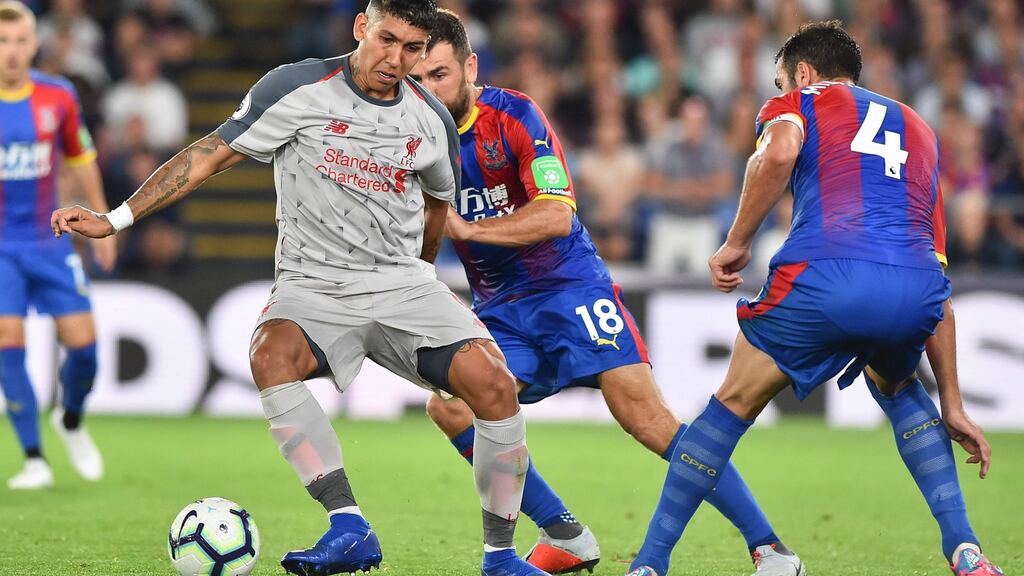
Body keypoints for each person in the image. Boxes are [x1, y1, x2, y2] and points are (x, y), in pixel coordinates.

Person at [51, 2, 547, 575]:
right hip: (313, 283)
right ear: (362, 27)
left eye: (413, 49)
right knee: (271, 354)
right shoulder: (297, 88)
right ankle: (348, 525)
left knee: (495, 385)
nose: (396, 58)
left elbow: (437, 206)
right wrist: (114, 220)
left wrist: (421, 277)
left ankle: (500, 558)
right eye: (386, 39)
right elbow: (208, 155)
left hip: (401, 281)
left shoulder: (431, 120)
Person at [410, 10, 804, 576]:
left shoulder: (515, 115)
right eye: (417, 80)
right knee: (449, 407)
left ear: (470, 66)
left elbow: (555, 216)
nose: (427, 91)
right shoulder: (411, 138)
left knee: (647, 420)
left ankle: (770, 548)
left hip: (568, 288)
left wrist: (470, 232)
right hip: (500, 308)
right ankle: (564, 532)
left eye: (440, 75)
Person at [626, 21, 1004, 576]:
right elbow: (937, 275)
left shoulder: (798, 102)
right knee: (901, 391)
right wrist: (953, 400)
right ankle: (967, 551)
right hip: (914, 288)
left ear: (802, 73)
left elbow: (777, 156)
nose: (779, 91)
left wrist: (735, 244)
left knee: (729, 406)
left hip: (825, 276)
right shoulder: (920, 129)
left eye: (781, 81)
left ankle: (651, 564)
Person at [0, 0, 115, 490]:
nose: (11, 52)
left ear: (36, 43)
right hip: (1, 249)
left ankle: (70, 417)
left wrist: (103, 220)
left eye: (21, 40)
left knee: (85, 349)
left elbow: (82, 157)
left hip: (50, 241)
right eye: (3, 41)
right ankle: (34, 459)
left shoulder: (58, 95)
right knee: (8, 343)